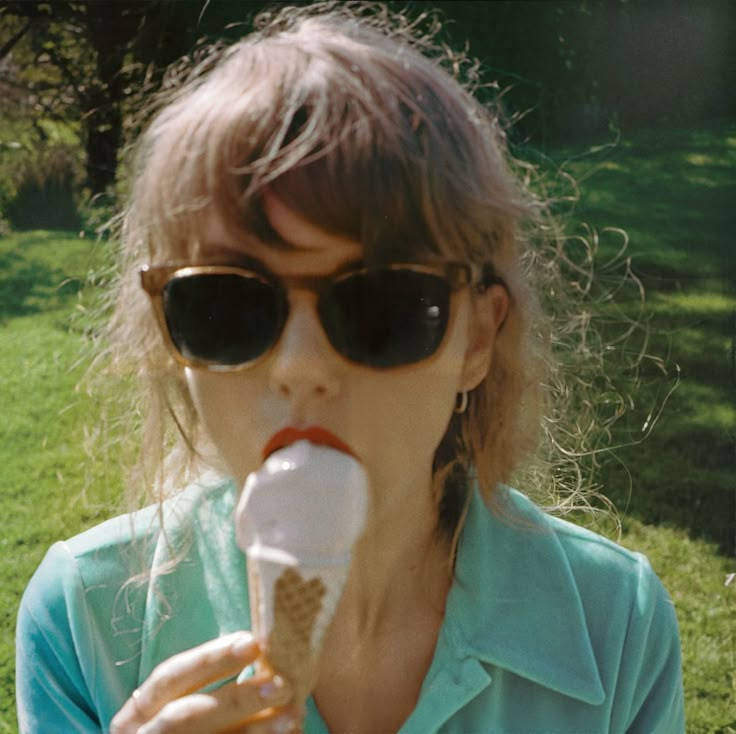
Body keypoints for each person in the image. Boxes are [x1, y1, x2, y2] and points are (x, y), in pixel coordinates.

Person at [16, 3, 685, 732]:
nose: (302, 368)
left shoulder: (615, 626)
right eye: (225, 305)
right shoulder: (83, 623)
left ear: (476, 341)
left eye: (384, 306)